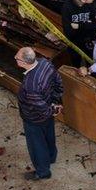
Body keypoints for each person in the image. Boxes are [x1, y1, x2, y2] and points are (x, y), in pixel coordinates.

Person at [15, 47, 63, 180]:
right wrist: (56, 102)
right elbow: (58, 81)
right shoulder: (45, 63)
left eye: (17, 58)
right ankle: (51, 157)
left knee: (37, 145)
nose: (15, 59)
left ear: (24, 63)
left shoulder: (30, 85)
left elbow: (40, 107)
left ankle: (43, 172)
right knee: (49, 136)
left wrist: (52, 110)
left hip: (34, 118)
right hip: (49, 111)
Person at [62, 0, 96, 66]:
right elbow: (67, 28)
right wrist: (87, 24)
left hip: (89, 40)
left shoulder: (92, 4)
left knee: (90, 63)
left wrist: (79, 26)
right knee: (76, 63)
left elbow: (95, 24)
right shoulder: (67, 7)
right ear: (83, 0)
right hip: (74, 42)